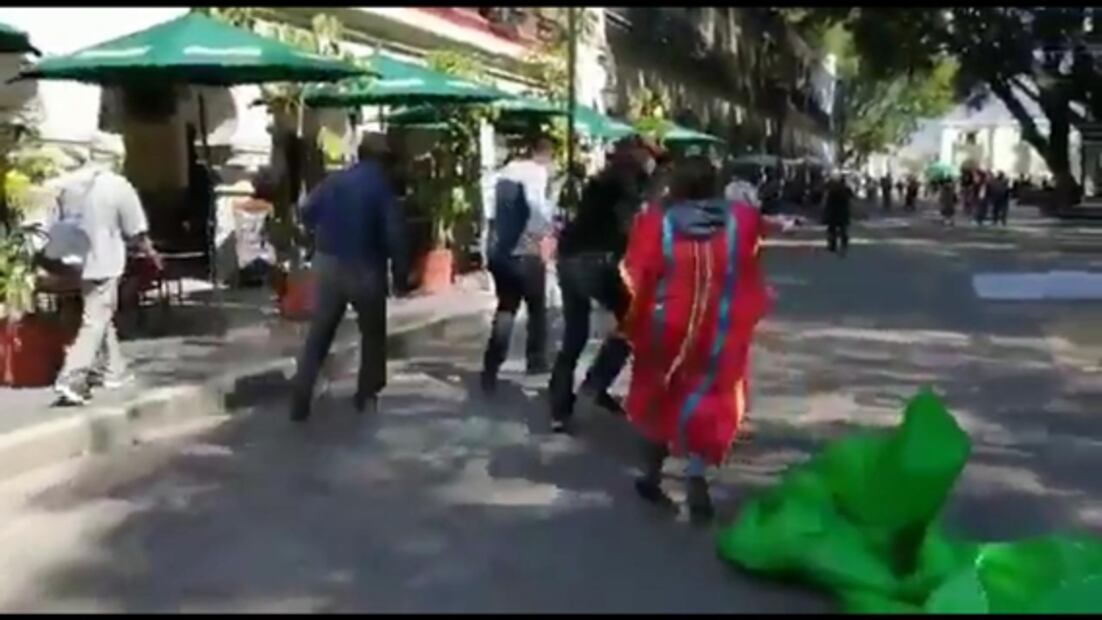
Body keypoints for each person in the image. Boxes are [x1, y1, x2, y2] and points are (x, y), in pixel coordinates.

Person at [619, 155, 772, 523]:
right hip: (719, 327)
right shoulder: (741, 220)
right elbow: (751, 263)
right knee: (710, 395)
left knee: (660, 393)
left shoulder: (657, 223)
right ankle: (695, 473)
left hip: (668, 326)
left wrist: (633, 320)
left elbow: (635, 273)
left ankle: (652, 476)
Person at [289, 134, 409, 422]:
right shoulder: (381, 188)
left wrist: (321, 235)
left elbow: (305, 213)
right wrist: (401, 273)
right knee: (372, 332)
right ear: (382, 160)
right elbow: (394, 233)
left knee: (320, 333)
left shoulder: (334, 181)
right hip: (365, 266)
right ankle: (366, 393)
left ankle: (300, 399)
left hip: (328, 263)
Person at [548, 136, 656, 433]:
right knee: (634, 322)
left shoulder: (599, 181)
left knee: (575, 334)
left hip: (568, 258)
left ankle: (559, 410)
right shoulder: (626, 184)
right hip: (594, 261)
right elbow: (628, 226)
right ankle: (595, 385)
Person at [50, 133, 162, 406]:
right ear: (117, 157)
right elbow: (136, 230)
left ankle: (114, 372)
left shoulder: (71, 183)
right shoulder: (117, 185)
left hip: (72, 262)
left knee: (100, 312)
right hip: (103, 260)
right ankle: (72, 377)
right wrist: (151, 254)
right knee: (95, 320)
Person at [481, 136, 556, 393]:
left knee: (507, 307)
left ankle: (491, 364)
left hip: (500, 253)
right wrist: (546, 233)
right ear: (545, 155)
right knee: (536, 308)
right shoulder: (536, 173)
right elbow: (536, 212)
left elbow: (490, 214)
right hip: (526, 251)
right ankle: (536, 360)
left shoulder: (502, 174)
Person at [823, 172, 853, 257]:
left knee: (831, 229)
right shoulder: (845, 188)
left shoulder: (831, 188)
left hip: (833, 212)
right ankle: (843, 244)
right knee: (843, 229)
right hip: (843, 212)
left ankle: (832, 245)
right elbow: (851, 197)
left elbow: (826, 199)